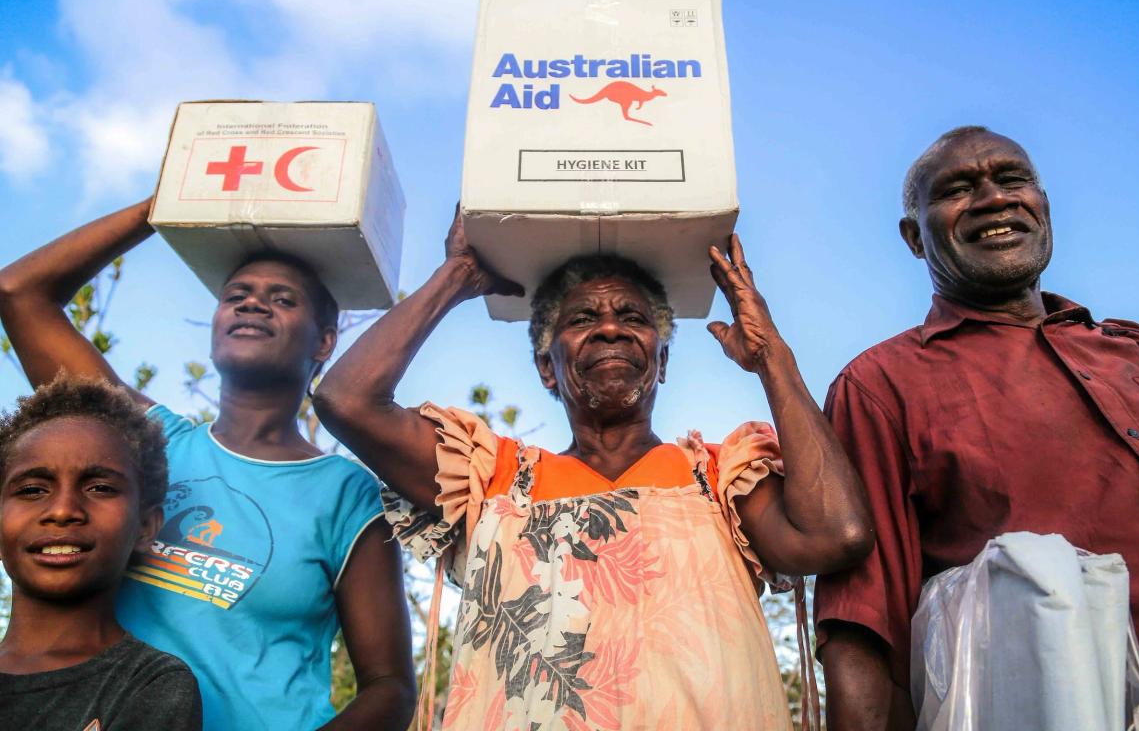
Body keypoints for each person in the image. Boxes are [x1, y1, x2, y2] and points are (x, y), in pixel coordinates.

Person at [313, 210, 874, 730]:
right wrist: (458, 275)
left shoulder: (720, 476)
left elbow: (837, 535)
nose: (610, 329)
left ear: (661, 361)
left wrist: (771, 354)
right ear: (547, 367)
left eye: (632, 317)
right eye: (583, 318)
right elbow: (347, 400)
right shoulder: (493, 480)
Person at [814, 126, 1139, 731]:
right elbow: (865, 619)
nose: (995, 199)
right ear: (914, 237)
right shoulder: (880, 384)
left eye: (1012, 179)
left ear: (1043, 205)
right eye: (957, 189)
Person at [0, 198, 416, 730]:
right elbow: (20, 294)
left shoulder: (345, 492)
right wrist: (170, 201)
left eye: (282, 299)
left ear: (326, 341)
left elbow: (390, 686)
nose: (252, 305)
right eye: (235, 296)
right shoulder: (141, 444)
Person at [0, 374, 202, 730]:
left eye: (100, 488)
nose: (63, 510)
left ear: (145, 526)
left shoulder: (151, 684)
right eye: (32, 489)